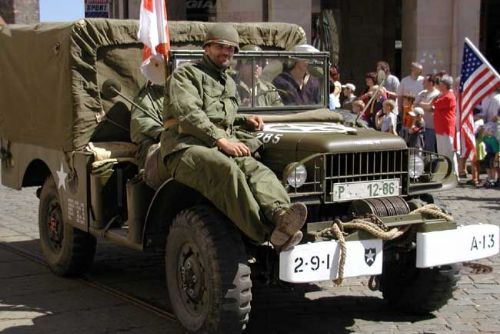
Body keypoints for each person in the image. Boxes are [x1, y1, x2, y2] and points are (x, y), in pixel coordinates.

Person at [160, 23, 307, 251]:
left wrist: (243, 119)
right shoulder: (186, 75)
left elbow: (221, 116)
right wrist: (221, 141)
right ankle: (265, 232)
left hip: (220, 142)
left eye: (231, 49)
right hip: (184, 146)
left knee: (256, 169)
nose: (226, 52)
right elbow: (190, 114)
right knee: (227, 171)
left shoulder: (227, 81)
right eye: (220, 47)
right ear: (206, 48)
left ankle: (281, 216)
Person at [130, 83, 164, 169]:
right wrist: (164, 134)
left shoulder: (191, 92)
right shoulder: (147, 96)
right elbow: (141, 123)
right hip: (158, 144)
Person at [432, 75, 458, 175]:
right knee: (442, 153)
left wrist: (436, 99)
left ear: (446, 85)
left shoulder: (449, 96)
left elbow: (435, 104)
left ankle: (454, 174)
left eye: (441, 84)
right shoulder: (443, 95)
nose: (439, 86)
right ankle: (444, 173)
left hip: (446, 129)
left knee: (449, 153)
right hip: (440, 128)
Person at [415, 74, 440, 152]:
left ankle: (432, 164)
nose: (423, 83)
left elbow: (431, 108)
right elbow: (415, 105)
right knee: (420, 148)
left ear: (431, 83)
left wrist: (421, 104)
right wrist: (426, 106)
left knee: (430, 149)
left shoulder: (437, 94)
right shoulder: (422, 93)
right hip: (419, 126)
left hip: (431, 127)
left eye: (425, 82)